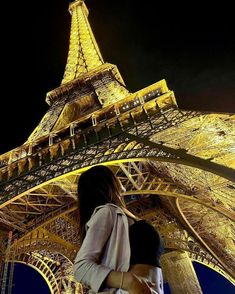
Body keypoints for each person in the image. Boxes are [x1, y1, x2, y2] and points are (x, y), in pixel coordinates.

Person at [73, 165, 164, 293]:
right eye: (113, 174)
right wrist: (129, 282)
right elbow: (81, 267)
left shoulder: (123, 215)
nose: (117, 177)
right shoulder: (107, 211)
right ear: (107, 182)